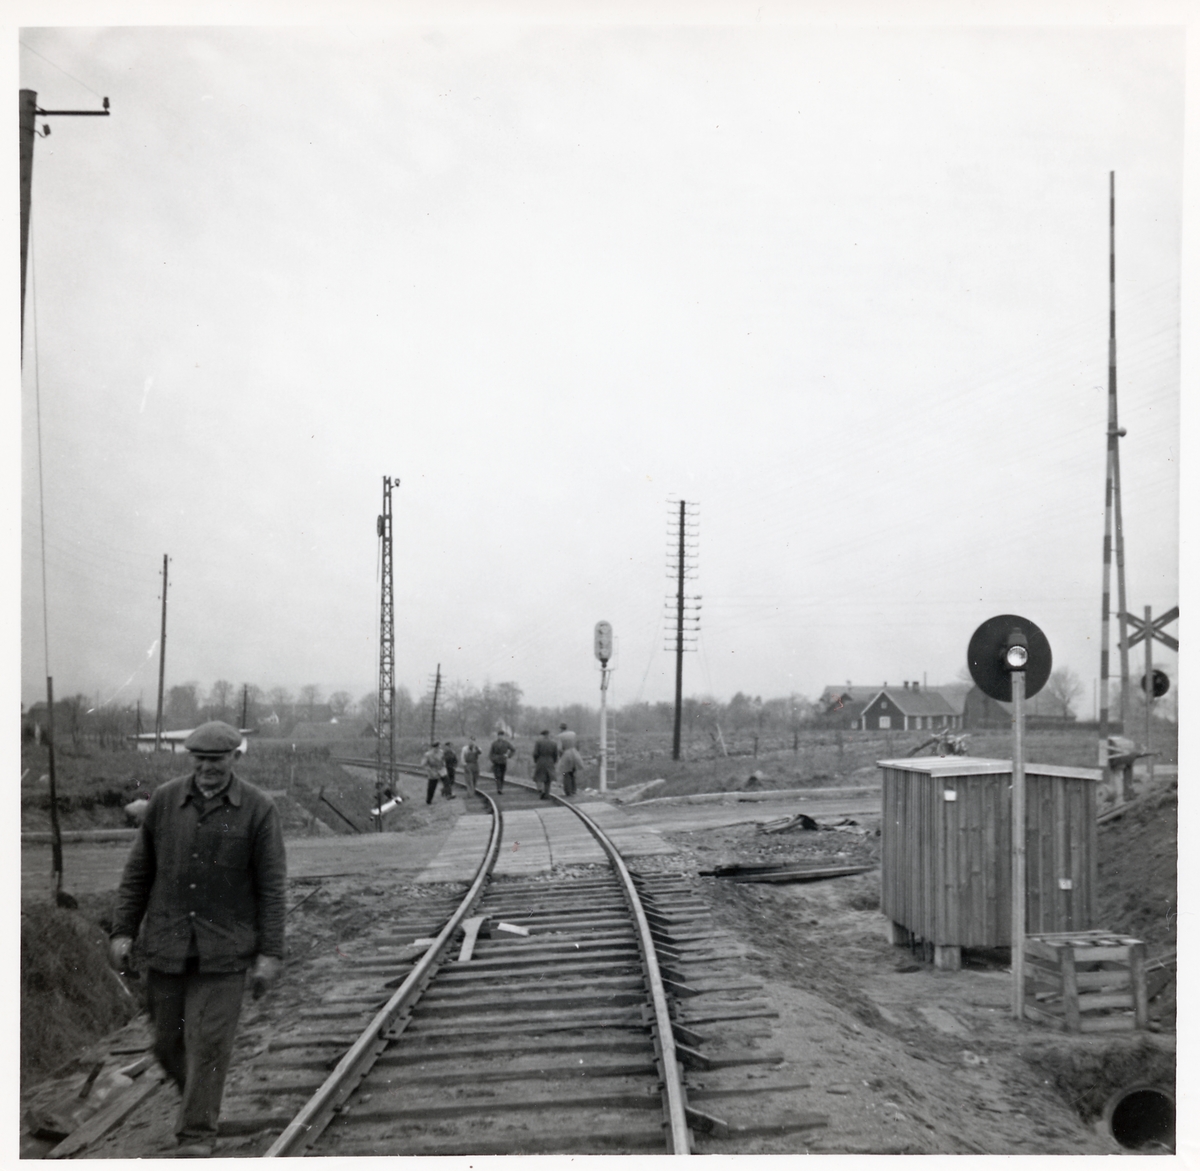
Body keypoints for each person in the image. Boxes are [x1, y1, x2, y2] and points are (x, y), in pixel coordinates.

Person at [108, 721, 286, 1159]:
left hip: (226, 951)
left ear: (235, 758)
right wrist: (123, 930)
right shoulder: (165, 801)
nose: (207, 767)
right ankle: (202, 1097)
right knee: (167, 1045)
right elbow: (138, 873)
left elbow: (272, 888)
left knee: (207, 1043)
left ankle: (196, 1135)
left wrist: (270, 953)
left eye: (217, 759)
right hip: (167, 946)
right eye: (200, 759)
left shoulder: (258, 809)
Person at [533, 729, 559, 800]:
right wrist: (554, 761)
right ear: (548, 735)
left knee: (539, 777)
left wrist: (536, 760)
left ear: (542, 735)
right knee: (548, 779)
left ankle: (540, 789)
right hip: (550, 761)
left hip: (540, 760)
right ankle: (547, 794)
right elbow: (556, 754)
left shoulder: (538, 742)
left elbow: (535, 753)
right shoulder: (553, 743)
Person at [488, 730, 515, 794]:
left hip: (503, 761)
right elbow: (490, 753)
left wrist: (508, 755)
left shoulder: (506, 743)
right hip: (496, 762)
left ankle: (500, 788)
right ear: (498, 736)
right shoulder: (494, 743)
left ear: (503, 736)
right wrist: (493, 759)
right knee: (497, 776)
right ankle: (499, 788)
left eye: (502, 736)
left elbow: (513, 750)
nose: (501, 737)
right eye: (500, 736)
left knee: (502, 776)